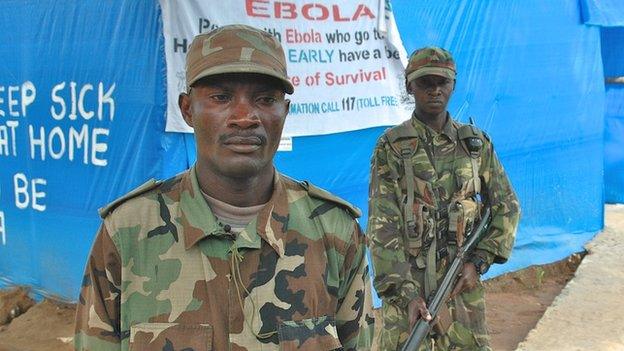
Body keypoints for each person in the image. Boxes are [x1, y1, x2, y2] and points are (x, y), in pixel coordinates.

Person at [75, 24, 374, 351]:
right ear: (188, 110)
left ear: (284, 112)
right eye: (221, 97)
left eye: (265, 99)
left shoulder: (335, 232)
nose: (245, 117)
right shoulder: (128, 232)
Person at [367, 47, 520, 350]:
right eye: (425, 83)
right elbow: (382, 228)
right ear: (409, 85)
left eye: (443, 82)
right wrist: (406, 293)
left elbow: (506, 207)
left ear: (453, 85)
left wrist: (478, 261)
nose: (435, 90)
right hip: (409, 292)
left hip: (461, 289)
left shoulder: (475, 144)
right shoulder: (392, 147)